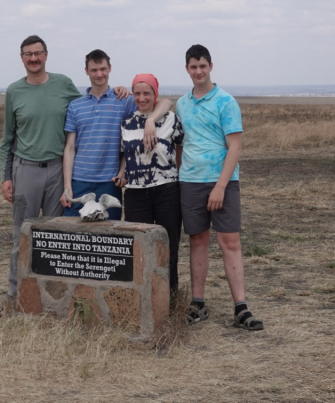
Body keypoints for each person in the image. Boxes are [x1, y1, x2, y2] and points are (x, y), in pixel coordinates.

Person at [175, 44, 264, 331]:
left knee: (230, 242)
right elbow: (180, 145)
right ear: (187, 69)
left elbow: (235, 147)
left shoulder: (226, 102)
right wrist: (181, 173)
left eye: (203, 65)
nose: (198, 71)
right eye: (193, 66)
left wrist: (220, 186)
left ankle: (241, 307)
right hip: (190, 181)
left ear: (211, 66)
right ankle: (197, 304)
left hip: (222, 181)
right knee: (197, 240)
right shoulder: (182, 104)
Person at [0, 35, 81, 300]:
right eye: (28, 54)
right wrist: (6, 177)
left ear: (47, 55)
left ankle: (54, 297)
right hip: (26, 171)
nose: (33, 58)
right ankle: (16, 296)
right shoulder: (14, 91)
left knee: (55, 234)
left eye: (38, 53)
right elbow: (7, 138)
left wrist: (119, 93)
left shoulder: (64, 84)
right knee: (22, 236)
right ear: (21, 58)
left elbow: (86, 109)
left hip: (58, 170)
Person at [60, 50, 171, 219]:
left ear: (110, 68)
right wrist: (67, 185)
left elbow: (164, 103)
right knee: (75, 236)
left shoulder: (124, 101)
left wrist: (151, 121)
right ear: (86, 71)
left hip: (110, 182)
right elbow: (69, 148)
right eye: (94, 70)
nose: (99, 74)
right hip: (79, 180)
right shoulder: (75, 106)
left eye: (103, 69)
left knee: (109, 235)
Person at [114, 73, 184, 292]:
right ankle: (141, 295)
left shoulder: (171, 119)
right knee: (139, 246)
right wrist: (122, 172)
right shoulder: (126, 123)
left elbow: (180, 149)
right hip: (135, 193)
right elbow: (126, 153)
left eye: (147, 93)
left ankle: (169, 296)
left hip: (167, 190)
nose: (142, 98)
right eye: (137, 93)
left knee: (168, 245)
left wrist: (179, 177)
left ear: (155, 94)